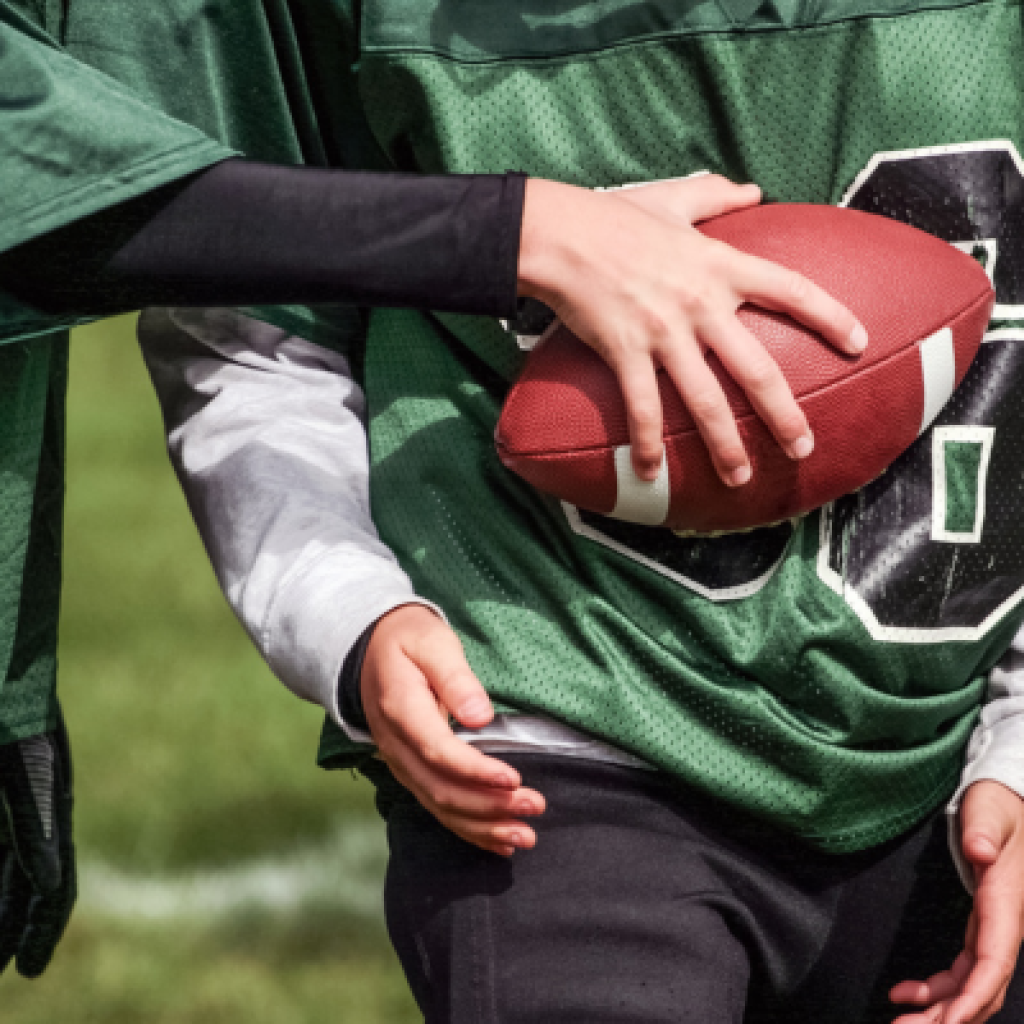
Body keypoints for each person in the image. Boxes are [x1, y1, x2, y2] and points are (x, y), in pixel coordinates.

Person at [0, 0, 862, 978]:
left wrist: (998, 721)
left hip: (916, 761)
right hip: (548, 720)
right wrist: (519, 234)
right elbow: (65, 176)